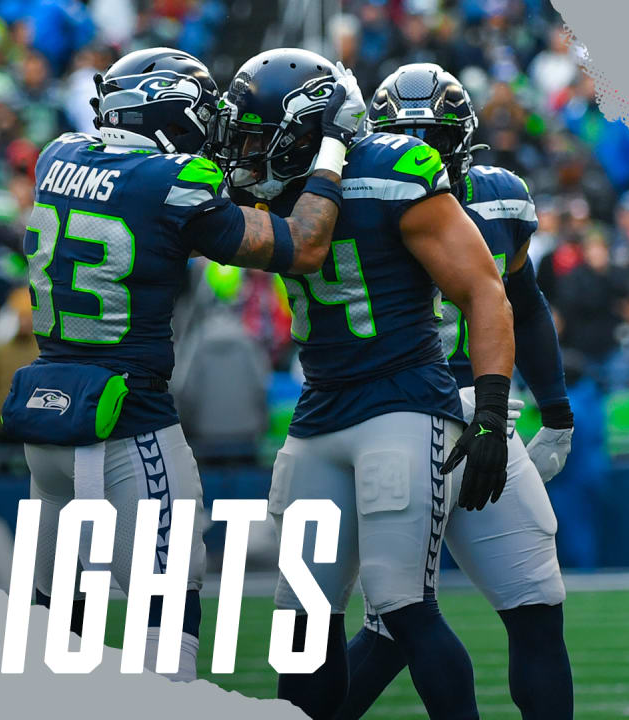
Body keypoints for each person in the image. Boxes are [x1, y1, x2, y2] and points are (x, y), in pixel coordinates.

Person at [12, 47, 363, 681]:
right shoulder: (172, 184)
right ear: (169, 115)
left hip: (48, 423)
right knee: (167, 619)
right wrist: (333, 145)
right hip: (128, 422)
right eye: (200, 114)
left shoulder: (55, 157)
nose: (211, 130)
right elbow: (304, 246)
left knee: (57, 621)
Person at [212, 48, 515, 719]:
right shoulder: (267, 184)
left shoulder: (394, 171)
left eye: (258, 137)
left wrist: (490, 406)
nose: (244, 152)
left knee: (401, 601)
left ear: (305, 131)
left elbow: (484, 290)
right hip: (320, 409)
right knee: (300, 621)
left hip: (401, 404)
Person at [339, 62, 574, 720]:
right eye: (405, 136)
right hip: (407, 412)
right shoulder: (366, 199)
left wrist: (556, 411)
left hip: (463, 409)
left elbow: (523, 305)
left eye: (433, 136)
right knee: (402, 622)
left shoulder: (500, 196)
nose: (420, 152)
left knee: (528, 609)